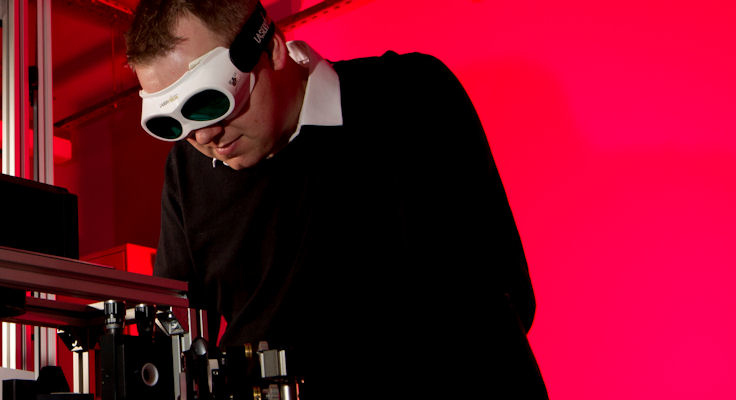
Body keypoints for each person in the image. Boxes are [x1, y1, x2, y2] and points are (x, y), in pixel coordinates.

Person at [128, 0, 548, 398]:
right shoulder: (187, 171)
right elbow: (178, 336)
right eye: (173, 121)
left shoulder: (410, 95)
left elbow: (502, 290)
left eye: (207, 102)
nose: (203, 136)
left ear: (270, 49)